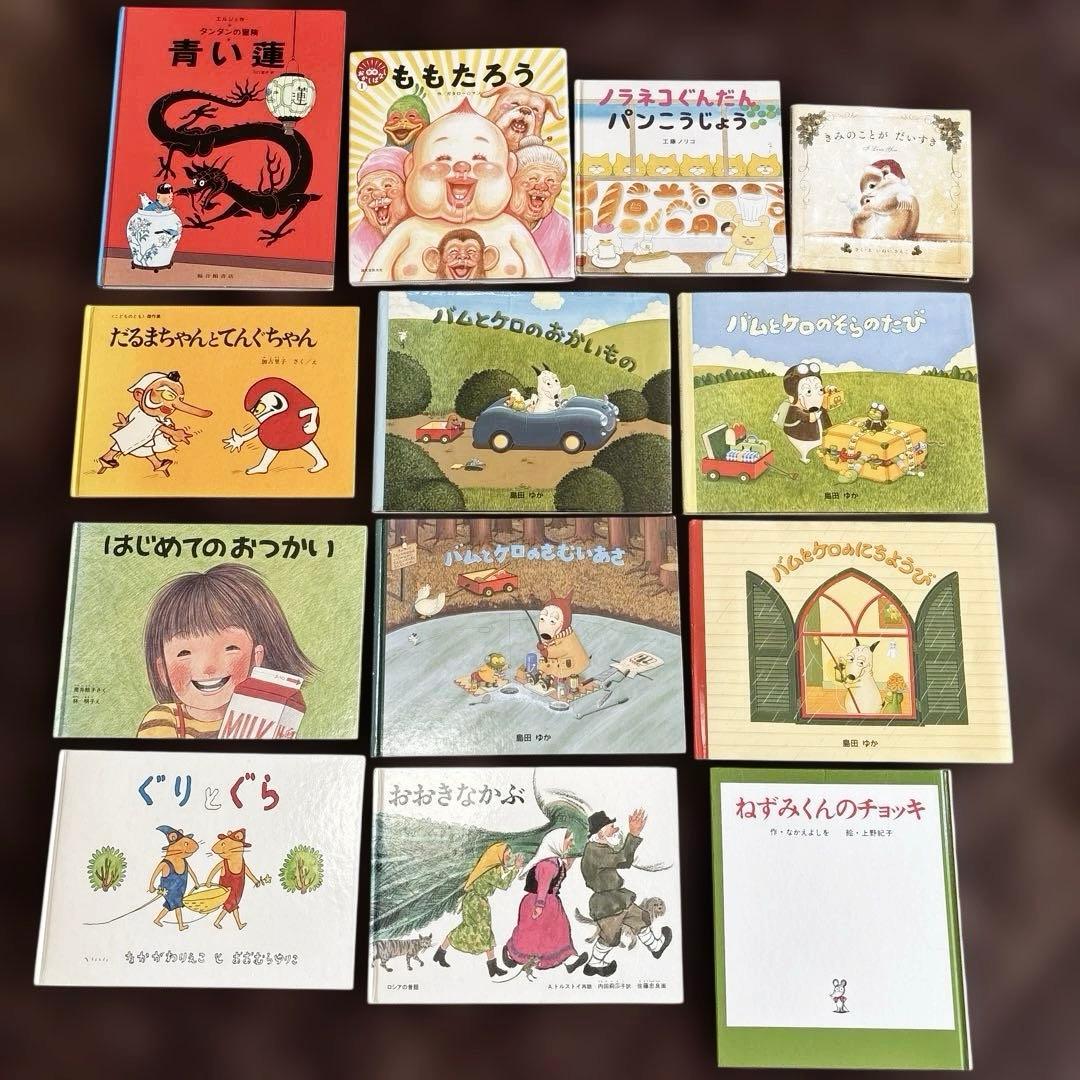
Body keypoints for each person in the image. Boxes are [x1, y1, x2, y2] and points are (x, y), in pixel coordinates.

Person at [138, 563, 316, 738]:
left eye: (230, 648)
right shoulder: (165, 719)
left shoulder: (266, 718)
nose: (208, 667)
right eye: (184, 653)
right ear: (162, 670)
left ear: (256, 658)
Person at [579, 808, 673, 976]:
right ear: (600, 832)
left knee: (640, 919)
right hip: (607, 904)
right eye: (611, 827)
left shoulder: (600, 847)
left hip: (618, 898)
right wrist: (633, 834)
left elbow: (622, 860)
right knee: (609, 937)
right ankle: (594, 964)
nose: (615, 829)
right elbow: (623, 859)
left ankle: (656, 946)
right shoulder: (594, 850)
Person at [503, 828, 588, 974]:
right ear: (558, 842)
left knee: (558, 932)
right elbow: (543, 886)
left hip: (551, 904)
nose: (571, 844)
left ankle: (568, 960)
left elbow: (561, 873)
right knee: (531, 934)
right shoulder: (547, 864)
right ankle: (512, 954)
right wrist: (539, 906)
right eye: (569, 840)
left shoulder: (556, 861)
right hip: (538, 902)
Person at [433, 841, 523, 978]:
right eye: (507, 854)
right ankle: (492, 967)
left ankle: (441, 953)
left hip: (477, 902)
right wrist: (516, 868)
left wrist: (513, 867)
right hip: (475, 903)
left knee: (481, 931)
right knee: (479, 931)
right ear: (499, 855)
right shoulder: (489, 870)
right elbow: (503, 884)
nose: (509, 856)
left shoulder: (491, 867)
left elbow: (503, 874)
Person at [507, 136, 571, 275]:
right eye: (533, 178)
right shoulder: (494, 224)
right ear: (511, 182)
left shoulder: (564, 230)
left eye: (551, 181)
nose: (542, 186)